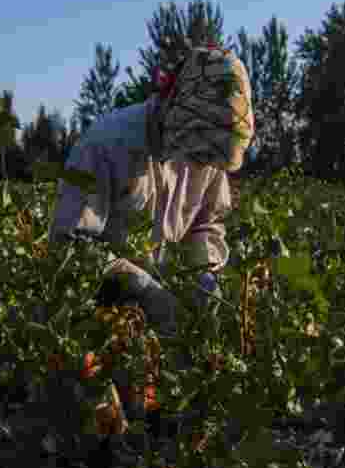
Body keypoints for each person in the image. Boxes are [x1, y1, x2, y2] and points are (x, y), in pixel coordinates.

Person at [50, 43, 254, 423]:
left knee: (169, 417)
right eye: (200, 156)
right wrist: (142, 288)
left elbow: (206, 224)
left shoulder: (208, 150)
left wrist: (205, 275)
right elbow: (71, 247)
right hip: (98, 318)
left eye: (211, 159)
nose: (204, 165)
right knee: (102, 425)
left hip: (164, 327)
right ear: (175, 112)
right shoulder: (105, 145)